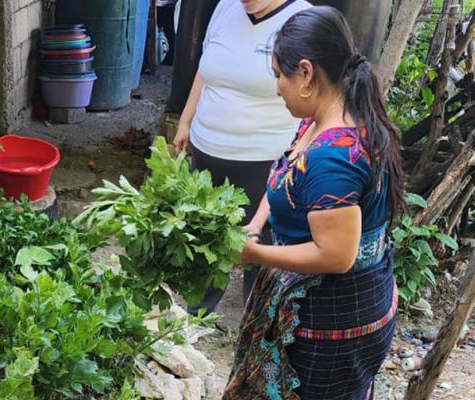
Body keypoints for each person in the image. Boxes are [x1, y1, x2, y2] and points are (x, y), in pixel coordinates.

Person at [223, 6, 405, 399]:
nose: (277, 87)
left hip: (332, 323)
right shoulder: (326, 118)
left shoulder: (333, 158)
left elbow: (336, 255)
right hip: (360, 300)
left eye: (279, 75)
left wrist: (255, 254)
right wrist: (256, 224)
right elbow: (288, 172)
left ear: (305, 73)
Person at [173, 0, 312, 315]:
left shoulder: (301, 18)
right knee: (206, 238)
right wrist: (185, 120)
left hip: (265, 160)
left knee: (259, 243)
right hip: (207, 152)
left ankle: (258, 320)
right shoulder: (226, 7)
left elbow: (323, 94)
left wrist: (300, 148)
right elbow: (206, 68)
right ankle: (199, 314)